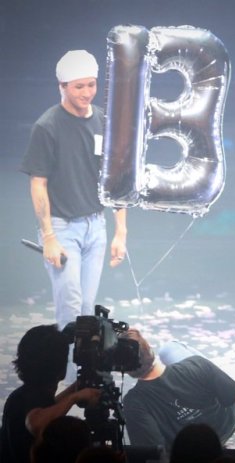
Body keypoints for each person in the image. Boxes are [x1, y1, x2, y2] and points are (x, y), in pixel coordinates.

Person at [20, 49, 127, 335]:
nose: (87, 92)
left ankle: (83, 378)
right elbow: (38, 183)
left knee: (86, 310)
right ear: (62, 87)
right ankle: (68, 379)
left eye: (91, 84)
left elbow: (115, 177)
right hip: (62, 227)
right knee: (70, 310)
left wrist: (120, 231)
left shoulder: (104, 121)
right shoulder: (48, 126)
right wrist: (50, 237)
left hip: (96, 225)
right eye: (79, 86)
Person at [120, 329, 235, 454]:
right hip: (222, 424)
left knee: (173, 352)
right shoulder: (196, 366)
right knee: (171, 348)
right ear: (149, 348)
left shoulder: (135, 402)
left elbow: (152, 451)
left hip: (192, 444)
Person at [0, 324, 101, 463]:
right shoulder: (30, 399)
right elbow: (35, 423)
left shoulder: (22, 396)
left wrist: (76, 387)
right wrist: (74, 397)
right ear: (61, 366)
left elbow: (46, 409)